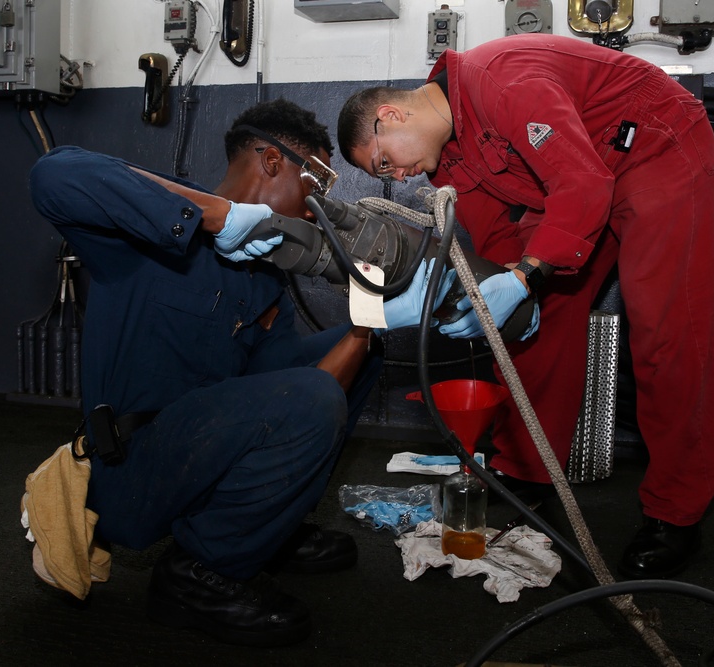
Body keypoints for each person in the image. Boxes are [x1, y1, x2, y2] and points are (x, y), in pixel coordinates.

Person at [28, 99, 440, 646]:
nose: (318, 201)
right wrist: (213, 216)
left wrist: (367, 324)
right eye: (315, 178)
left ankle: (265, 528)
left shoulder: (265, 278)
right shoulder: (142, 235)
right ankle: (197, 576)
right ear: (271, 161)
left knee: (355, 356)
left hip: (205, 452)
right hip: (131, 470)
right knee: (310, 394)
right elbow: (53, 173)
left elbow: (305, 391)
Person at [337, 33, 714, 580]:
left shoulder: (502, 80)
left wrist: (526, 274)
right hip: (578, 184)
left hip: (653, 146)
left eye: (384, 164)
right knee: (527, 323)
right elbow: (498, 247)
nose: (398, 178)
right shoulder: (449, 160)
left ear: (391, 116)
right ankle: (527, 471)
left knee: (665, 331)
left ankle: (675, 515)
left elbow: (581, 180)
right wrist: (508, 293)